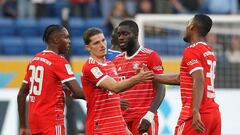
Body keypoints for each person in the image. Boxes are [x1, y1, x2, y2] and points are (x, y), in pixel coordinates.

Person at [155, 14, 221, 135]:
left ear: (192, 27)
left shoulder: (191, 50)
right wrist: (151, 77)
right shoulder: (209, 51)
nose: (185, 28)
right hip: (213, 114)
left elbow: (199, 79)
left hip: (196, 114)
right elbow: (180, 79)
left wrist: (195, 111)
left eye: (187, 24)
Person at [81, 27, 154, 134]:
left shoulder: (110, 64)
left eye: (103, 40)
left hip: (117, 127)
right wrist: (138, 78)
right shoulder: (91, 67)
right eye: (96, 43)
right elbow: (115, 87)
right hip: (100, 129)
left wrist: (126, 130)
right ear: (88, 47)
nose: (102, 45)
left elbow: (113, 100)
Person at [17, 24, 85, 135]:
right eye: (66, 37)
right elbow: (78, 92)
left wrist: (23, 126)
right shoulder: (58, 61)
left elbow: (21, 94)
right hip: (52, 121)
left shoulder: (35, 59)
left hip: (35, 122)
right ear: (56, 40)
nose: (69, 41)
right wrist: (108, 100)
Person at [112, 20, 166, 135]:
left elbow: (161, 88)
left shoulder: (150, 56)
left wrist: (150, 114)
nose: (121, 38)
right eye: (119, 34)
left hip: (143, 119)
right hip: (122, 121)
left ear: (136, 35)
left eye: (125, 34)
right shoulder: (116, 61)